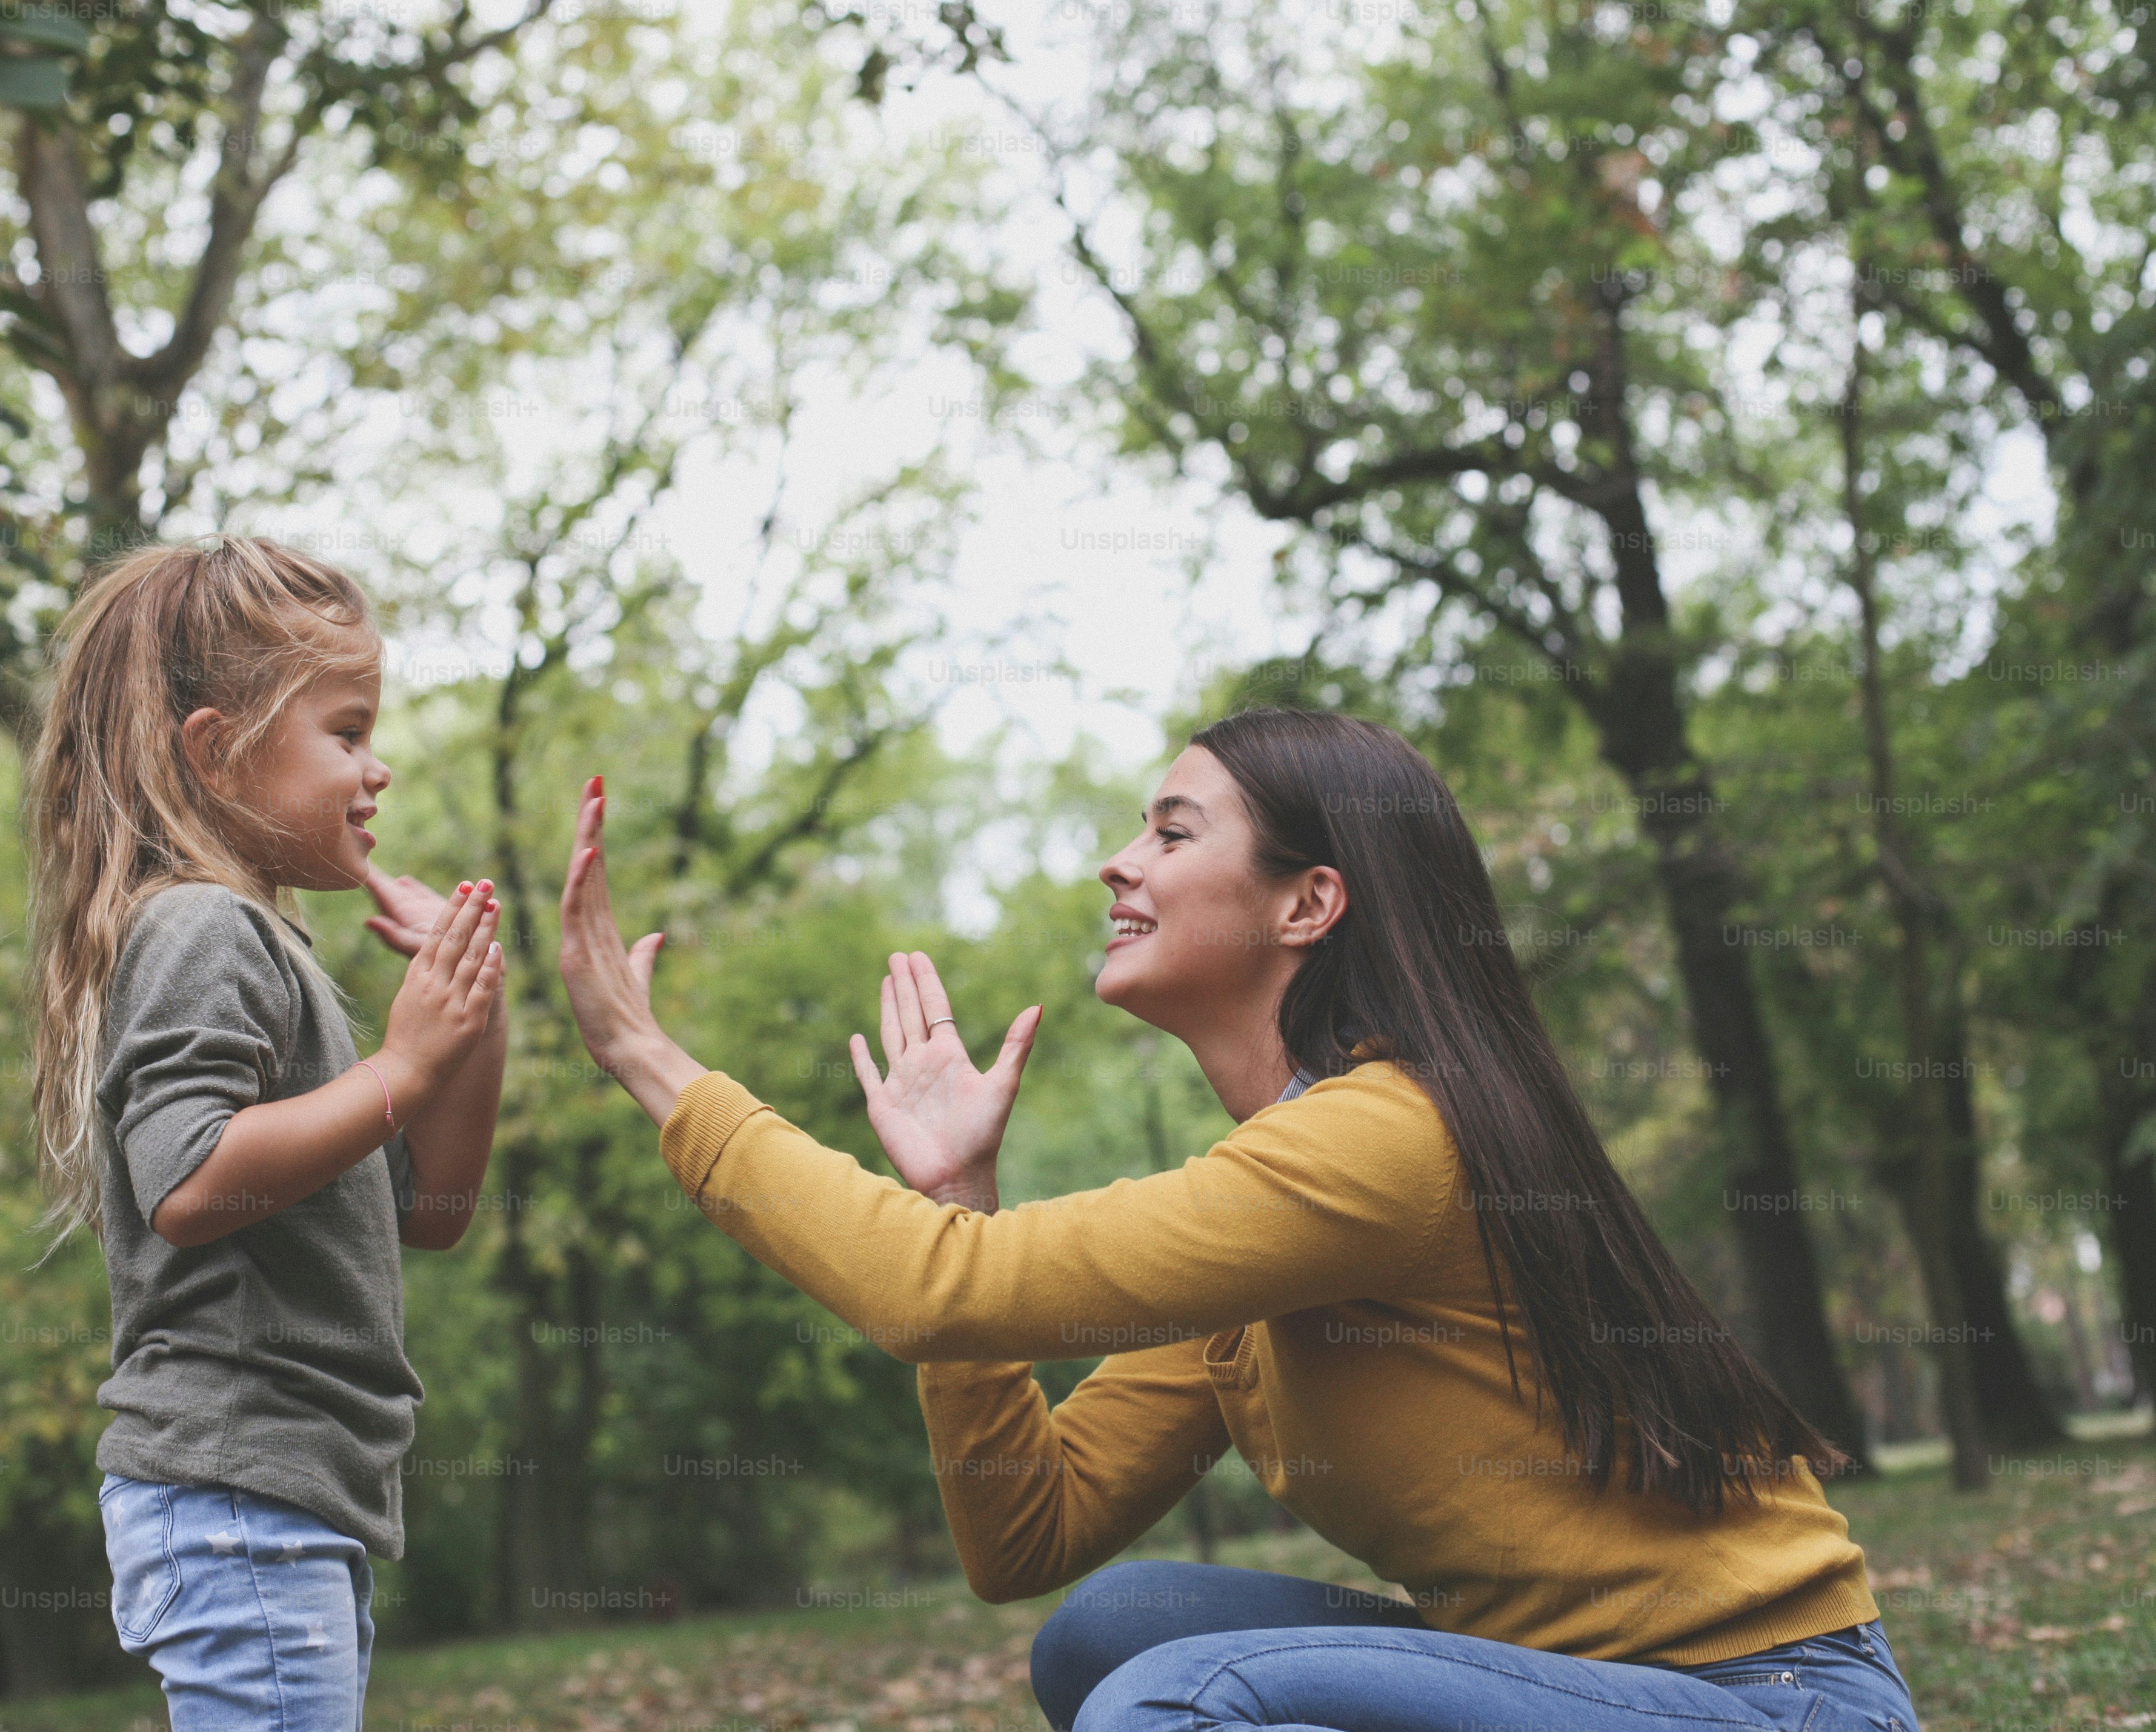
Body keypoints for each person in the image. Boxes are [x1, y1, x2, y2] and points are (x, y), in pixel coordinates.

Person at [555, 707, 1923, 1732]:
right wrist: (955, 1201)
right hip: (1577, 1688)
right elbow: (1029, 1533)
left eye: (1169, 831)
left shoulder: (1380, 1138)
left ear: (1309, 902)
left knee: (1176, 1695)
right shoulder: (1278, 1201)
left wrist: (650, 1060)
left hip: (1774, 1700)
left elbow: (932, 1290)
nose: (1114, 863)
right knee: (1115, 1628)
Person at [25, 535, 508, 1730]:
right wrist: (403, 1061)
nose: (378, 767)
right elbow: (188, 1181)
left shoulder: (269, 947)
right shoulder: (201, 928)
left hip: (289, 1492)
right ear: (217, 749)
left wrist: (468, 1037)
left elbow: (434, 1212)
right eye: (347, 732)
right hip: (237, 1489)